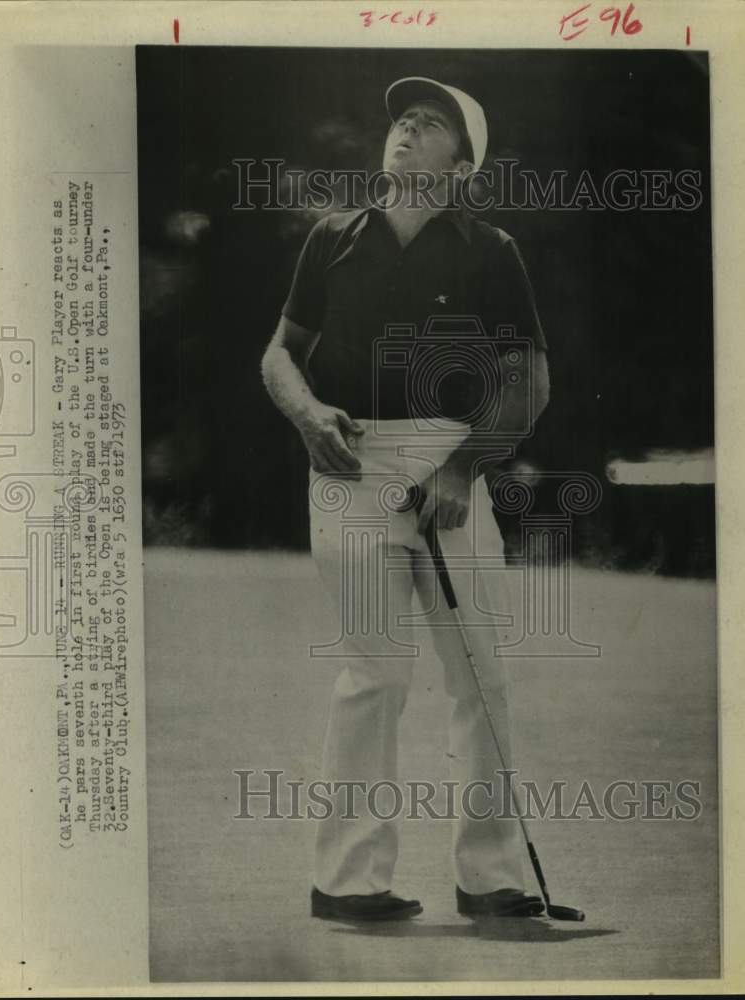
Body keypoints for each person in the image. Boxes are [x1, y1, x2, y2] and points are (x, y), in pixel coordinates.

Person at [261, 77, 551, 922]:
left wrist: (462, 469)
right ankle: (347, 882)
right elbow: (280, 354)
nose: (407, 130)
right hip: (346, 461)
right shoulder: (332, 236)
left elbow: (529, 380)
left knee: (480, 675)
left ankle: (491, 877)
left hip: (449, 460)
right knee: (374, 674)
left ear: (461, 167)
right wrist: (309, 414)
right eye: (404, 121)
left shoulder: (491, 250)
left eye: (430, 125)